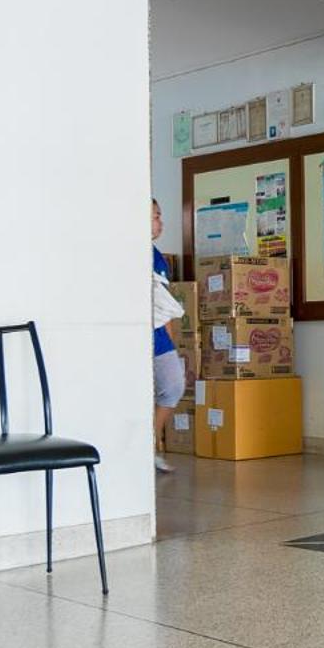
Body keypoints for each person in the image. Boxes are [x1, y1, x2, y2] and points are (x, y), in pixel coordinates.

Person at [150, 199, 186, 472]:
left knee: (173, 385)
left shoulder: (157, 257)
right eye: (155, 216)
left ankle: (149, 441)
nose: (160, 223)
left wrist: (171, 339)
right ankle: (147, 446)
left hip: (158, 335)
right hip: (136, 334)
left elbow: (165, 305)